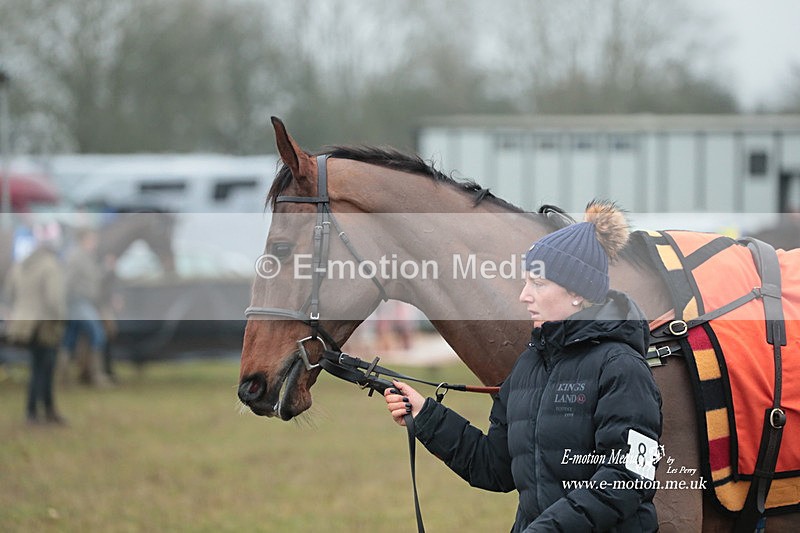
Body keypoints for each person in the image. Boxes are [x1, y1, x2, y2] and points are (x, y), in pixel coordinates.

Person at [384, 201, 663, 532]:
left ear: (577, 292)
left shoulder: (622, 368)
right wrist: (426, 417)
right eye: (526, 282)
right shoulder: (529, 365)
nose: (524, 296)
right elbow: (495, 467)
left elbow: (627, 479)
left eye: (538, 284)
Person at [5, 221, 67, 425]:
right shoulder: (50, 265)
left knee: (37, 367)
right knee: (44, 369)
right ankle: (39, 411)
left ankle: (39, 411)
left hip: (24, 324)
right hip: (44, 325)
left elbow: (9, 293)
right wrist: (61, 319)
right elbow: (54, 300)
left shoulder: (22, 264)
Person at [59, 227, 111, 387]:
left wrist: (106, 269)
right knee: (98, 334)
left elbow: (93, 279)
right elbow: (67, 282)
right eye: (92, 239)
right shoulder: (76, 257)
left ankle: (62, 377)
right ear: (84, 239)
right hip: (78, 302)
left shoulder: (86, 257)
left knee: (69, 339)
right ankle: (97, 376)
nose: (95, 242)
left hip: (83, 302)